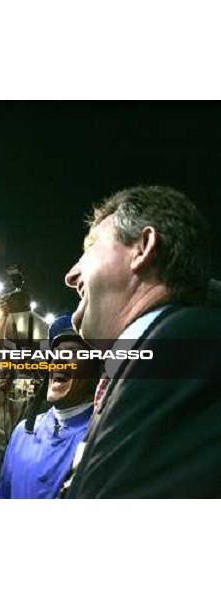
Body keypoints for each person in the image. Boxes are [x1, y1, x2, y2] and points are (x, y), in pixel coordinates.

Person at [64, 185, 221, 498]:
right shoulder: (146, 364)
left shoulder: (194, 355)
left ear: (142, 247)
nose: (71, 275)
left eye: (90, 247)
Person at [0, 314, 100, 499]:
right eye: (55, 354)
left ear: (97, 371)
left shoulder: (102, 442)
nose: (58, 361)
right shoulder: (22, 431)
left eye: (73, 353)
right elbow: (2, 496)